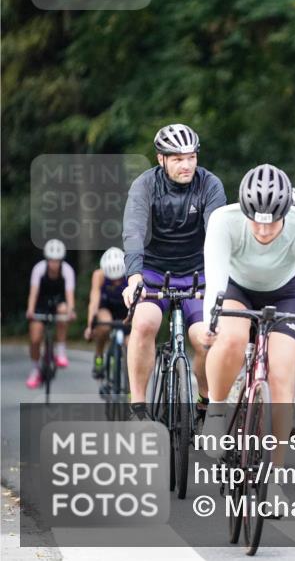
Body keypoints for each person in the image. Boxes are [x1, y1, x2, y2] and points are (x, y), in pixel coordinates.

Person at [201, 164, 295, 510]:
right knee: (229, 339)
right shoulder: (223, 220)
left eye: (271, 222)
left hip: (286, 292)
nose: (262, 229)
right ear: (243, 210)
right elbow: (214, 282)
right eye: (255, 220)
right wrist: (209, 324)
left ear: (287, 212)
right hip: (237, 288)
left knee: (282, 373)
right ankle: (216, 414)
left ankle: (274, 480)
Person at [121, 124, 226, 421]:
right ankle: (138, 409)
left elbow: (219, 235)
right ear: (161, 160)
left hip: (198, 273)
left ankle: (205, 400)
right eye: (178, 158)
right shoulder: (145, 185)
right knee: (143, 324)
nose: (187, 164)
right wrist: (134, 278)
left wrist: (222, 281)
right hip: (155, 272)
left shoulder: (210, 185)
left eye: (191, 157)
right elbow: (133, 231)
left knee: (206, 339)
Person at [25, 239, 76, 388]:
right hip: (41, 305)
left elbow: (69, 294)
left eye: (57, 260)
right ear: (47, 259)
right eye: (51, 260)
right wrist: (30, 310)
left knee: (64, 310)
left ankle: (60, 350)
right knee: (35, 337)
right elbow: (33, 293)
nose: (54, 264)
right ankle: (35, 369)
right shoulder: (39, 269)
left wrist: (71, 311)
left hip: (58, 304)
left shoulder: (67, 270)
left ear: (61, 260)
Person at [84, 247, 129, 379]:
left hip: (126, 309)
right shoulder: (99, 275)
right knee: (104, 325)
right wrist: (90, 326)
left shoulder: (130, 275)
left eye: (119, 278)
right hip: (107, 308)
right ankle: (99, 356)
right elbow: (94, 301)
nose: (116, 281)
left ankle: (130, 387)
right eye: (112, 278)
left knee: (131, 344)